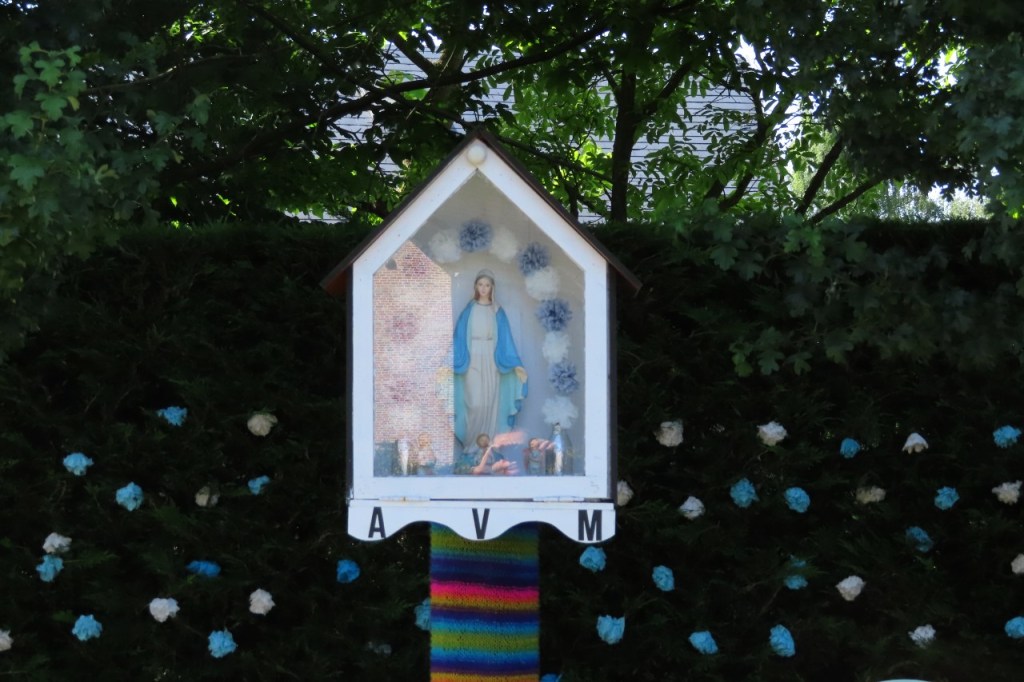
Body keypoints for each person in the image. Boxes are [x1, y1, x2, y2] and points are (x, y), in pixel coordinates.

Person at [452, 270, 528, 453]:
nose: (483, 288)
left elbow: (506, 340)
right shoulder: (469, 311)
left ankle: (488, 448)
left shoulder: (497, 311)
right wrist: (448, 363)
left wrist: (515, 364)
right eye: (480, 284)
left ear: (492, 287)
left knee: (490, 403)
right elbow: (458, 339)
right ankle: (471, 446)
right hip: (472, 359)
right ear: (475, 287)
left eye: (487, 285)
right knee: (474, 402)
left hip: (492, 360)